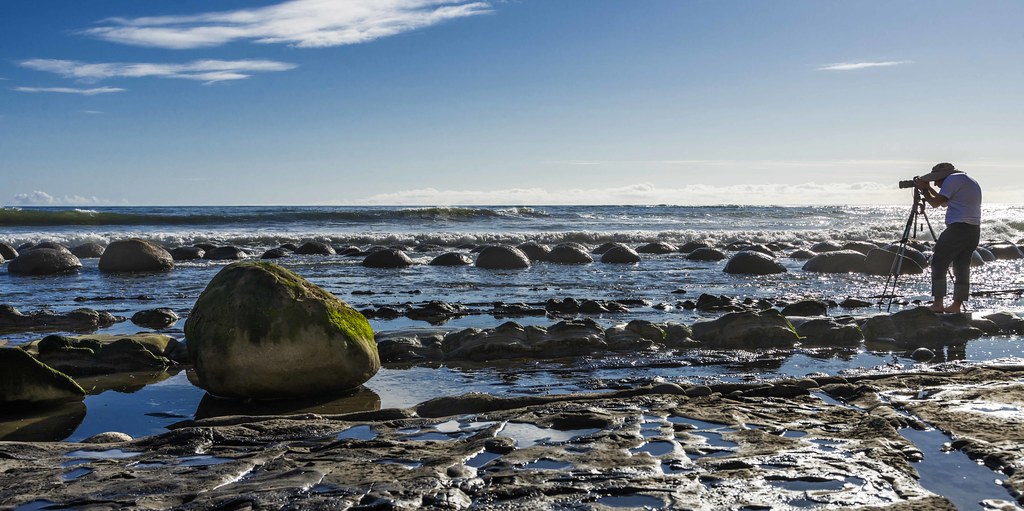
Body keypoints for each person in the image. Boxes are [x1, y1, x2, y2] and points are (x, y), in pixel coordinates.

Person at [914, 162, 982, 313]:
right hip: (973, 230)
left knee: (938, 262)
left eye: (936, 181)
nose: (936, 185)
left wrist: (924, 189)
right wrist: (928, 188)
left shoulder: (952, 180)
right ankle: (956, 306)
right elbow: (944, 202)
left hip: (958, 228)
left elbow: (935, 203)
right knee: (962, 266)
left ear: (943, 177)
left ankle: (938, 304)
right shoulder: (967, 180)